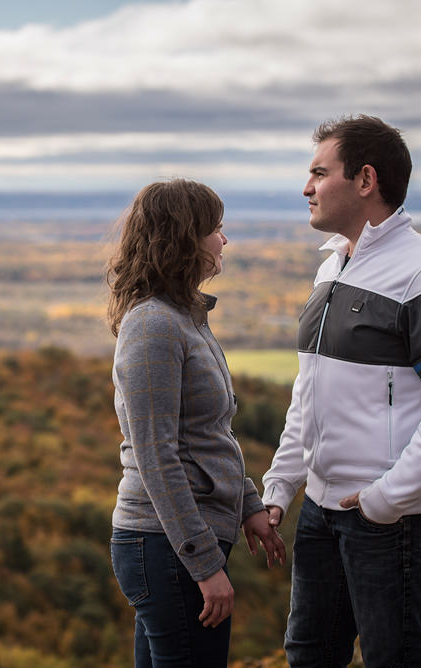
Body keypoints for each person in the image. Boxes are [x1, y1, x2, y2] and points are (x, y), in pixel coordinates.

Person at [261, 115, 421, 667]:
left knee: (394, 659)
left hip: (395, 519)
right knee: (309, 655)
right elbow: (309, 394)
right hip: (321, 506)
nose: (306, 187)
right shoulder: (332, 269)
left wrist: (387, 500)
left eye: (320, 172)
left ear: (365, 180)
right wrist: (281, 485)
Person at [107, 178, 286, 667]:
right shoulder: (153, 325)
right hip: (164, 547)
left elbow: (210, 435)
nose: (224, 240)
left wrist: (248, 502)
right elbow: (157, 456)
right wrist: (205, 565)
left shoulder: (184, 320)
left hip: (176, 545)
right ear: (184, 238)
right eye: (216, 229)